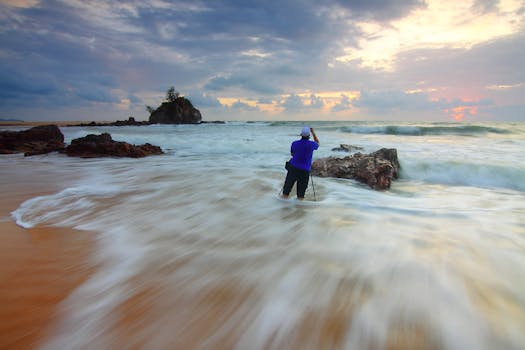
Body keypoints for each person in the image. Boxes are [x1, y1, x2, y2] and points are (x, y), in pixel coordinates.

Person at [281, 126, 320, 200]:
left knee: (286, 191)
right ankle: (299, 209)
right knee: (301, 194)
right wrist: (313, 133)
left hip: (293, 168)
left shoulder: (294, 143)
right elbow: (318, 143)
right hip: (305, 170)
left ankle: (283, 208)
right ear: (309, 135)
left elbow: (292, 154)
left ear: (301, 135)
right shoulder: (311, 144)